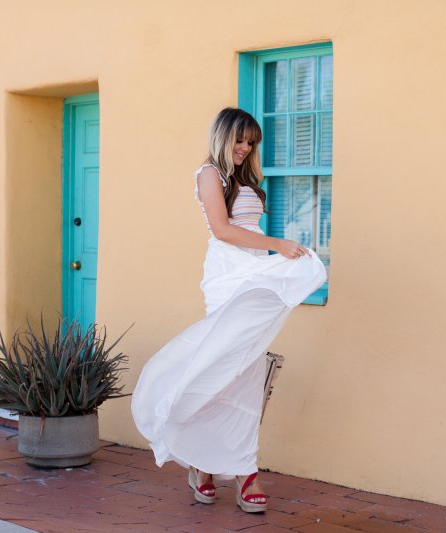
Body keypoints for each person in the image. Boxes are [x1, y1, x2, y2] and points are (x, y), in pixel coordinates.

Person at [131, 107, 327, 513]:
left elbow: (246, 230)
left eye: (251, 142)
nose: (245, 148)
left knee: (248, 370)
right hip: (228, 277)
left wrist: (277, 253)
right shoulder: (208, 174)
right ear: (223, 137)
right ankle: (203, 465)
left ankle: (243, 468)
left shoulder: (241, 179)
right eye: (240, 140)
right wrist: (276, 244)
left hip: (252, 273)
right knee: (218, 369)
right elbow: (222, 230)